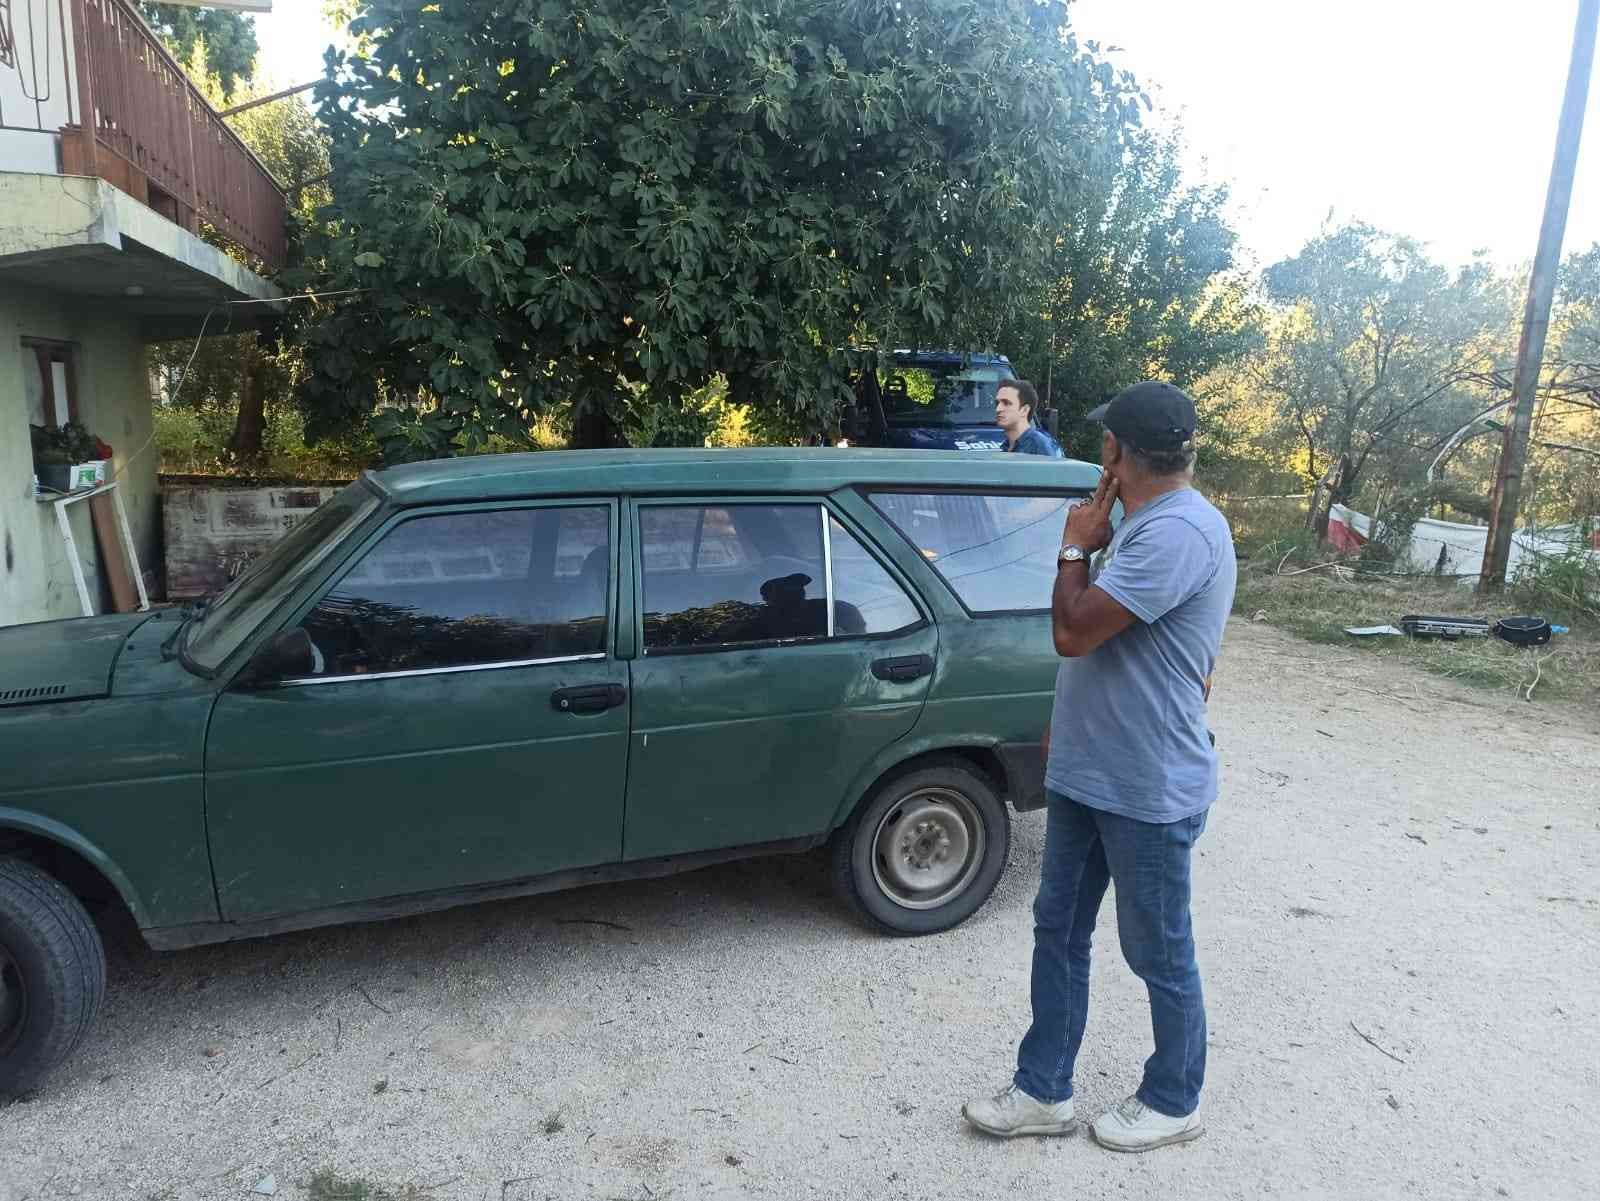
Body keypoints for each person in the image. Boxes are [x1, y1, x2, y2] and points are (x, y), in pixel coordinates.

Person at [962, 380, 1237, 1153]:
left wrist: (1077, 542)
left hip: (1146, 786)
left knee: (1157, 947)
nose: (1098, 454)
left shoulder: (1177, 532)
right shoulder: (1142, 524)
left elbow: (1075, 631)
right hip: (1090, 771)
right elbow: (1117, 658)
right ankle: (1044, 1087)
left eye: (1104, 443)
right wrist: (1066, 727)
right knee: (1058, 929)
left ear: (1119, 451)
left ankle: (1175, 1095)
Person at [995, 379, 1063, 457]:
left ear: (1024, 410)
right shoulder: (1006, 446)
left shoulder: (1040, 446)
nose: (998, 409)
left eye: (1006, 403)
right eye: (997, 403)